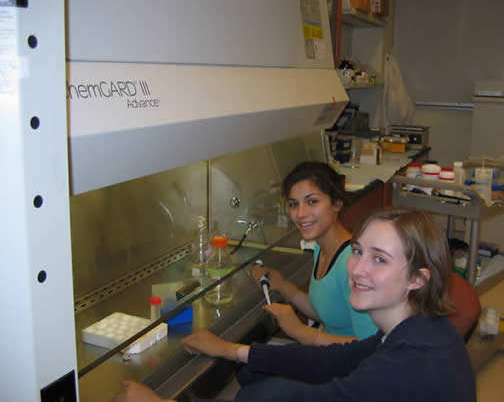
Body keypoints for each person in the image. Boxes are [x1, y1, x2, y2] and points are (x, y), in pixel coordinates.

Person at [113, 207, 476, 402]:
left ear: (417, 278)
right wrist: (234, 351)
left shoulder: (403, 367)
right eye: (358, 251)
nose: (358, 269)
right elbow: (334, 360)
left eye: (380, 259)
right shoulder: (420, 332)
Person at [250, 161, 376, 345]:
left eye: (312, 201)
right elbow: (328, 313)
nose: (300, 213)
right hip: (328, 358)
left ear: (336, 204)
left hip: (348, 369)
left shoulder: (353, 263)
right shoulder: (320, 247)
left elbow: (368, 347)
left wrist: (301, 332)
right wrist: (284, 287)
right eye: (294, 204)